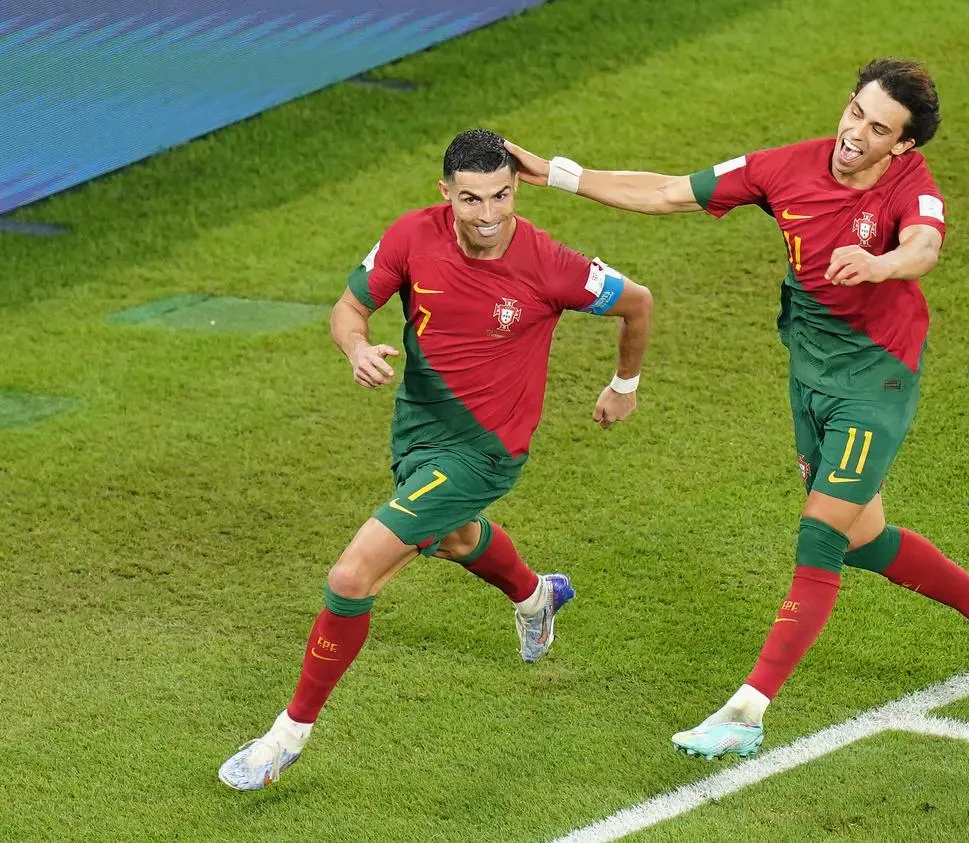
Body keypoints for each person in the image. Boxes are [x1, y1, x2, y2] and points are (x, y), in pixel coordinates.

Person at [504, 57, 969, 760]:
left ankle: (746, 709)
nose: (854, 133)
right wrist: (558, 174)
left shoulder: (913, 185)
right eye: (854, 112)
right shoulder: (782, 169)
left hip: (876, 378)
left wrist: (879, 264)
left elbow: (925, 244)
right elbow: (668, 193)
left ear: (902, 145)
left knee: (819, 536)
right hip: (811, 371)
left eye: (877, 128)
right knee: (860, 537)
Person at [219, 128, 654, 789]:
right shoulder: (410, 235)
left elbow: (637, 302)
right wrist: (356, 347)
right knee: (454, 538)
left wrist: (624, 385)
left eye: (502, 196)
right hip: (418, 433)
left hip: (486, 450)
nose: (488, 216)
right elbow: (348, 307)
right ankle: (536, 595)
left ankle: (286, 737)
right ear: (445, 192)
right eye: (472, 199)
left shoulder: (550, 262)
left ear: (517, 188)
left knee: (351, 576)